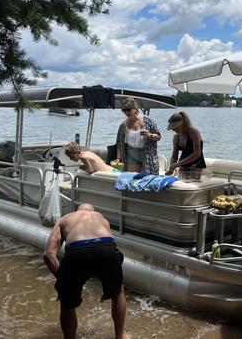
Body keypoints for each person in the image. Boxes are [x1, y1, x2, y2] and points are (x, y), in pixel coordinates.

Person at [43, 203, 126, 339]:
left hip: (77, 251)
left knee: (67, 304)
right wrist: (109, 287)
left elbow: (48, 254)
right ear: (93, 211)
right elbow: (103, 250)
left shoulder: (65, 219)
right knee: (118, 293)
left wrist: (64, 282)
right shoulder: (102, 219)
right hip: (105, 248)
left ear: (77, 211)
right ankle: (120, 337)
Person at [114, 98, 161, 173]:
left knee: (147, 177)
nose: (126, 112)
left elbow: (158, 137)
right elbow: (119, 142)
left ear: (135, 108)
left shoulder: (148, 120)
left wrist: (149, 135)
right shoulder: (123, 124)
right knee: (133, 177)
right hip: (131, 153)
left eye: (128, 109)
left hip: (146, 153)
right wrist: (118, 158)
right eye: (124, 110)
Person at [165, 111, 206, 177]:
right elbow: (174, 155)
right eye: (173, 128)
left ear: (183, 124)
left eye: (175, 128)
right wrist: (171, 168)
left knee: (191, 183)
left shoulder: (193, 131)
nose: (173, 130)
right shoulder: (176, 137)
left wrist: (178, 164)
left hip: (197, 163)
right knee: (181, 181)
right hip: (183, 163)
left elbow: (197, 153)